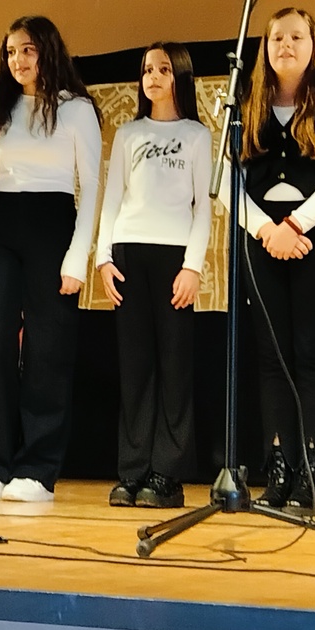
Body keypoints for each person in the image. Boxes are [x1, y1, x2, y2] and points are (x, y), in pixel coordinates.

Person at [222, 9, 315, 516]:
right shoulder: (245, 108)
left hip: (312, 242)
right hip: (260, 241)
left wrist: (295, 226)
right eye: (277, 37)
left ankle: (310, 469)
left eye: (296, 36)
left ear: (313, 45)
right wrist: (265, 229)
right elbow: (227, 182)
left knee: (312, 354)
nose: (286, 45)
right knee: (272, 357)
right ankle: (277, 465)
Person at [0, 15, 101, 503]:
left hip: (52, 225)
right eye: (10, 52)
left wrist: (77, 257)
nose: (17, 60)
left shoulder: (76, 110)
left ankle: (37, 469)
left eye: (27, 50)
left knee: (46, 350)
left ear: (47, 51)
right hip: (1, 228)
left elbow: (92, 185)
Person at [95, 41, 212, 509]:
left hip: (174, 257)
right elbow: (112, 199)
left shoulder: (197, 136)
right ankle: (133, 471)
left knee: (174, 367)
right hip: (129, 252)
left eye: (163, 69)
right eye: (147, 70)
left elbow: (203, 207)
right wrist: (104, 258)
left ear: (179, 75)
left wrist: (192, 266)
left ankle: (168, 473)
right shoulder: (128, 134)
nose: (153, 77)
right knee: (135, 367)